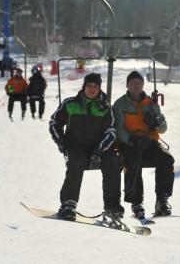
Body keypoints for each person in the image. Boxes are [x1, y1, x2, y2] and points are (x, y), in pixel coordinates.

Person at [49, 73, 124, 221]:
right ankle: (68, 205)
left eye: (95, 86)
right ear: (84, 86)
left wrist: (99, 150)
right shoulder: (70, 104)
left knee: (112, 162)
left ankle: (112, 206)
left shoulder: (105, 108)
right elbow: (54, 123)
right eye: (89, 85)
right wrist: (61, 142)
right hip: (76, 146)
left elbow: (111, 131)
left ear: (99, 88)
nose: (92, 89)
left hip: (99, 148)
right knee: (76, 163)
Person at [112, 70, 175, 218]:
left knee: (166, 159)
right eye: (133, 83)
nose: (136, 86)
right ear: (127, 85)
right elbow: (118, 127)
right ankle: (136, 202)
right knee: (133, 159)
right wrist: (130, 139)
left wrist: (156, 123)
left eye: (139, 83)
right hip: (130, 143)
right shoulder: (120, 104)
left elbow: (163, 128)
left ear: (143, 85)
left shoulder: (151, 103)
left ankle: (162, 199)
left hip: (149, 141)